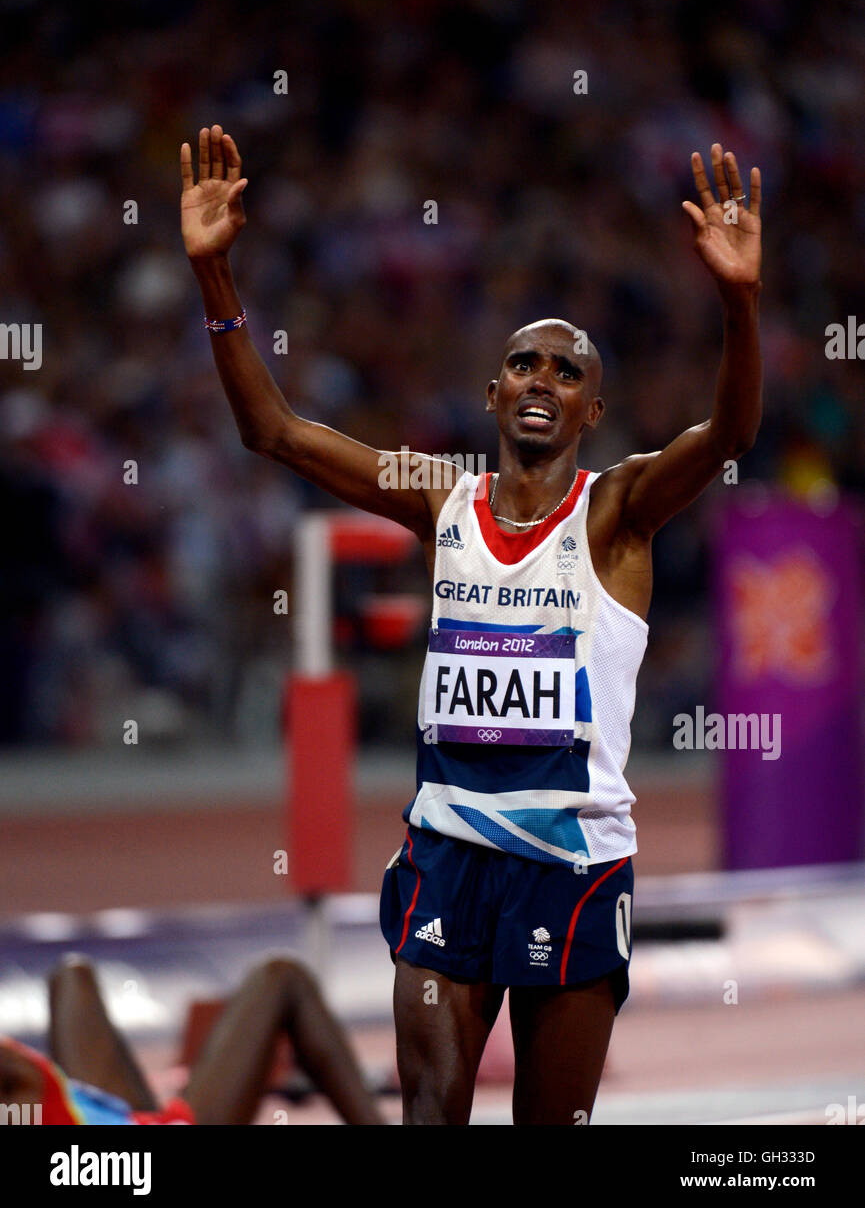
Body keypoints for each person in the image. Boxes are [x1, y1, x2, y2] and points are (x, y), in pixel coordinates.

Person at [180, 128, 762, 1124]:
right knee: (433, 1103)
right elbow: (270, 431)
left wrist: (738, 302)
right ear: (492, 394)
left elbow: (731, 436)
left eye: (565, 371)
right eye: (522, 365)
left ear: (591, 407)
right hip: (446, 851)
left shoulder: (616, 509)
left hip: (571, 865)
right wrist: (217, 274)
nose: (541, 378)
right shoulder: (439, 496)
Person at [0, 954, 383, 1124]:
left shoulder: (21, 1087)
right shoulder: (19, 1084)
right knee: (282, 976)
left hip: (122, 1117)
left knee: (71, 975)